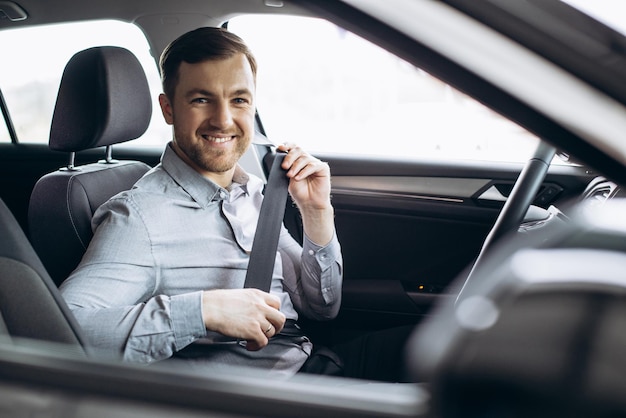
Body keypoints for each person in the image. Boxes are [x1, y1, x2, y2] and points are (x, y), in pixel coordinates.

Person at [60, 27, 342, 379]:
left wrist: (316, 212)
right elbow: (63, 329)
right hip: (271, 397)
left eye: (239, 100)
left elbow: (321, 307)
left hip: (315, 363)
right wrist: (203, 311)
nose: (223, 119)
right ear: (169, 109)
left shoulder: (255, 191)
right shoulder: (139, 217)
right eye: (201, 99)